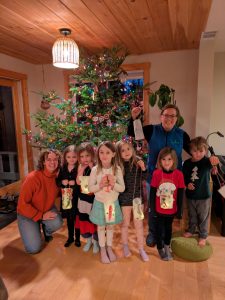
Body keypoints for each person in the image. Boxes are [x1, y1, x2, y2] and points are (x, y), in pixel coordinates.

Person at [127, 103, 190, 246]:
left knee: (168, 208)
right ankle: (152, 233)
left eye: (172, 116)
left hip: (173, 180)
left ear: (177, 118)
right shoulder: (151, 130)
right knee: (153, 207)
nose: (169, 118)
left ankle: (164, 233)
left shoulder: (182, 135)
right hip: (154, 178)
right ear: (161, 117)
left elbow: (196, 152)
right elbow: (133, 133)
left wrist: (209, 160)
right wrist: (134, 118)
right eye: (166, 115)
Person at [17, 149, 63, 254]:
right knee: (33, 249)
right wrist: (40, 216)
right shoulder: (33, 178)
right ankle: (35, 226)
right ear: (43, 162)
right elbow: (22, 205)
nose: (52, 162)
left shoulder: (58, 177)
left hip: (46, 208)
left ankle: (46, 231)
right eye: (49, 159)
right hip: (27, 214)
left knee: (57, 223)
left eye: (55, 159)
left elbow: (62, 193)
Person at [89, 141, 125, 264]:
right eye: (101, 152)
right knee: (100, 227)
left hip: (111, 204)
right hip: (99, 203)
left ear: (114, 154)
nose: (104, 155)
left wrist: (113, 184)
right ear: (98, 154)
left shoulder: (117, 169)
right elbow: (90, 188)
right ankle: (102, 249)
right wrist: (100, 185)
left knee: (110, 227)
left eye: (108, 152)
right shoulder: (95, 170)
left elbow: (122, 188)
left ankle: (109, 247)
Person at [116, 139, 149, 262]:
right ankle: (125, 246)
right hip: (124, 200)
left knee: (139, 226)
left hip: (137, 200)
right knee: (125, 224)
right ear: (119, 153)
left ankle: (141, 248)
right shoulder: (118, 165)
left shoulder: (138, 162)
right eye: (122, 150)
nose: (126, 152)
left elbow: (146, 177)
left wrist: (144, 168)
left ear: (133, 149)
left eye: (128, 148)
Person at [182, 137, 219, 246]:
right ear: (190, 151)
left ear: (205, 151)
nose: (198, 154)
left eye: (201, 151)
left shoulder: (207, 161)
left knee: (203, 217)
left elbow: (214, 168)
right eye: (195, 151)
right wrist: (187, 184)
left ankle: (203, 235)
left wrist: (214, 166)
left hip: (204, 196)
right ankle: (191, 230)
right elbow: (184, 177)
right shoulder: (187, 163)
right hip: (191, 195)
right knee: (192, 215)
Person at [150, 147, 185, 260]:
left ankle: (166, 247)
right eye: (163, 159)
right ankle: (160, 248)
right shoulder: (156, 174)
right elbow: (152, 193)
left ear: (174, 160)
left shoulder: (179, 175)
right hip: (159, 210)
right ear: (160, 161)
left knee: (168, 229)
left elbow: (180, 194)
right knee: (159, 229)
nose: (166, 162)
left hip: (171, 209)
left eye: (169, 159)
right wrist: (153, 209)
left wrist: (180, 210)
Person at [76, 142, 99, 253]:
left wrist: (92, 168)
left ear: (92, 155)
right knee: (84, 220)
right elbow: (77, 181)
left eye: (87, 155)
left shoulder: (96, 166)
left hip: (93, 200)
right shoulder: (80, 166)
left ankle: (96, 241)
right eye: (82, 156)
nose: (85, 158)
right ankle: (88, 240)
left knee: (93, 221)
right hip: (83, 200)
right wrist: (81, 170)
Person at [56, 145, 80, 248]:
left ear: (77, 157)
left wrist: (76, 182)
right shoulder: (62, 168)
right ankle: (70, 237)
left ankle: (78, 239)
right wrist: (62, 182)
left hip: (76, 198)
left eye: (74, 157)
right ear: (65, 157)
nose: (71, 159)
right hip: (66, 197)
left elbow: (85, 183)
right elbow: (57, 181)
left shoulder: (79, 168)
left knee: (76, 218)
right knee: (69, 219)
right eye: (68, 157)